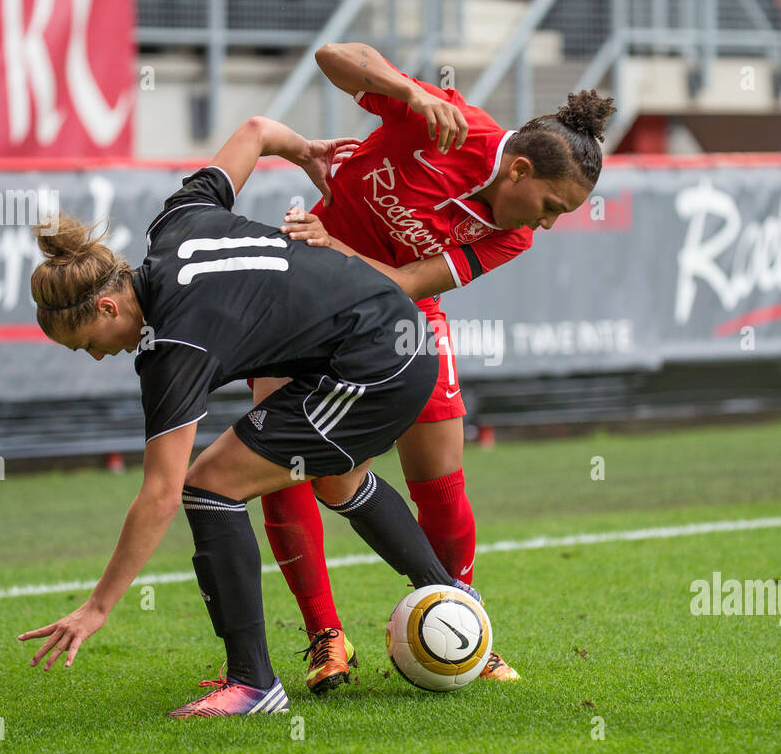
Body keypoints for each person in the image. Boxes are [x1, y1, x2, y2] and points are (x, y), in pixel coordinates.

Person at [17, 115, 478, 718]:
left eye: (90, 343)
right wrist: (308, 150)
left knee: (208, 485)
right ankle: (453, 598)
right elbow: (257, 130)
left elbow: (159, 494)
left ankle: (253, 684)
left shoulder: (172, 346)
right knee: (335, 479)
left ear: (107, 304)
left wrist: (98, 606)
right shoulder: (175, 222)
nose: (100, 355)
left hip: (377, 361)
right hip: (389, 339)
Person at [255, 41, 615, 693]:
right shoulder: (446, 121)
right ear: (520, 170)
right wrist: (404, 89)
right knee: (279, 462)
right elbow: (332, 56)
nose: (551, 224)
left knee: (440, 474)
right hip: (306, 289)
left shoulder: (512, 232)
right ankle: (325, 638)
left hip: (397, 309)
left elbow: (402, 282)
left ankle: (463, 617)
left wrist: (338, 248)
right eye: (553, 205)